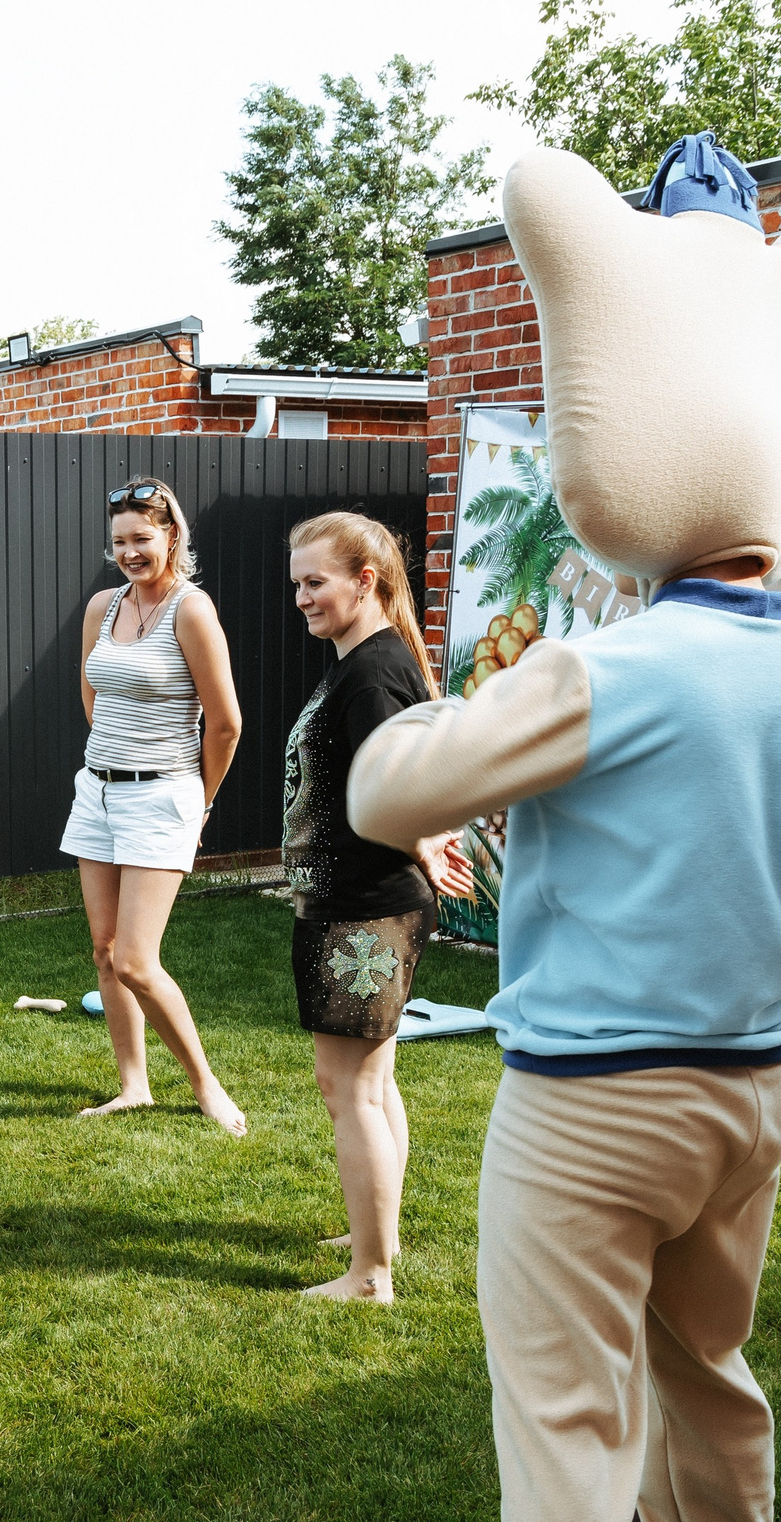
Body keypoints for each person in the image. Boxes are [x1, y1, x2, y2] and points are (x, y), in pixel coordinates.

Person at [364, 136, 781, 1522]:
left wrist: (409, 666)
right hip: (755, 1087)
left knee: (566, 1415)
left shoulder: (616, 670)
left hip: (594, 1104)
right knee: (704, 1361)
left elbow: (395, 785)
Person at [280, 513, 475, 1305]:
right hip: (361, 902)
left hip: (363, 909)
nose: (301, 597)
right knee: (372, 1081)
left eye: (315, 582)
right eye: (296, 583)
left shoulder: (371, 672)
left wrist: (423, 837)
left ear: (366, 581)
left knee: (348, 1089)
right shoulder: (369, 661)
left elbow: (401, 777)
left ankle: (370, 1274)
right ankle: (376, 1234)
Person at [62, 479, 248, 1135]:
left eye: (142, 538)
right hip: (98, 790)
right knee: (106, 951)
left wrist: (201, 803)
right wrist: (107, 754)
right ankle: (133, 1085)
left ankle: (206, 1085)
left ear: (172, 535)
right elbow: (94, 694)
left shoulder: (190, 611)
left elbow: (225, 724)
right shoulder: (101, 608)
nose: (130, 552)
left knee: (139, 958)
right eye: (119, 541)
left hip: (163, 793)